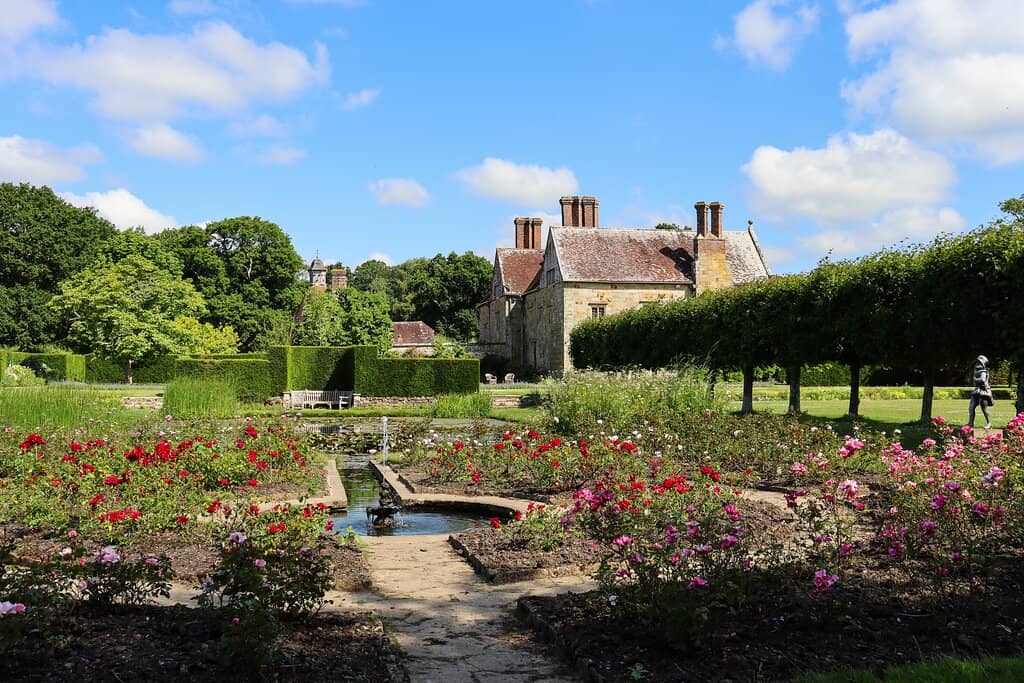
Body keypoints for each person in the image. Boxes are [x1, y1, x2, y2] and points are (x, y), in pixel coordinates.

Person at [968, 355, 994, 429]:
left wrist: (975, 379)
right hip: (976, 391)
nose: (977, 364)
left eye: (979, 363)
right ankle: (970, 423)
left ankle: (989, 423)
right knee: (971, 407)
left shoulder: (983, 372)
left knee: (984, 409)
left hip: (983, 392)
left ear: (982, 364)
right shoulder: (977, 372)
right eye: (976, 363)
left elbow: (982, 380)